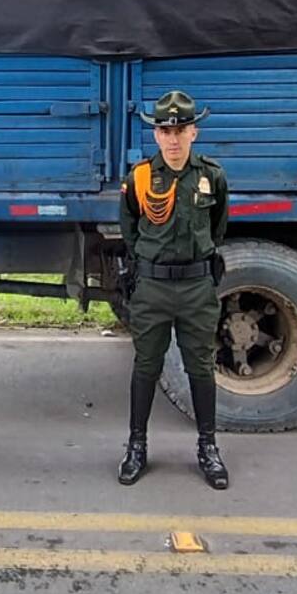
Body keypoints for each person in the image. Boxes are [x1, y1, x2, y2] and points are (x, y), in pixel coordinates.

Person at [117, 90, 231, 489]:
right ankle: (136, 446)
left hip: (197, 287)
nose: (173, 138)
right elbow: (130, 229)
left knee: (200, 367)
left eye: (181, 129)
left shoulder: (212, 176)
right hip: (152, 287)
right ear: (156, 136)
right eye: (165, 130)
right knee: (146, 366)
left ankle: (208, 447)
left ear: (194, 133)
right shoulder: (140, 178)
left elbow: (218, 226)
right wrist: (150, 263)